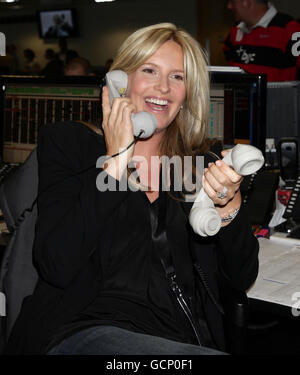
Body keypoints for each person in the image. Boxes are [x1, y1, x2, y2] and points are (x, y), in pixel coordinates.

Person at [4, 23, 259, 355]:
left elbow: (239, 279)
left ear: (187, 94)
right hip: (81, 330)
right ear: (119, 81)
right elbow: (56, 262)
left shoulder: (198, 166)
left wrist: (229, 208)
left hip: (179, 336)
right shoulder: (71, 144)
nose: (163, 87)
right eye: (149, 70)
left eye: (177, 77)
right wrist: (116, 160)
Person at [224, 0, 300, 81]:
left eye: (232, 2)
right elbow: (229, 57)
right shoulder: (235, 29)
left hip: (280, 93)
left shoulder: (289, 28)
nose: (229, 6)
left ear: (247, 2)